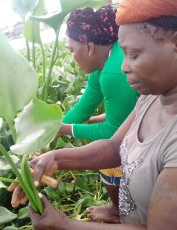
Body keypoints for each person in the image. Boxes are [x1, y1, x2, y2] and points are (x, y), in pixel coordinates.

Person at [10, 0, 177, 228]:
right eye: (123, 53)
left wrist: (65, 225)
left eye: (134, 55)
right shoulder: (153, 96)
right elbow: (114, 146)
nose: (123, 67)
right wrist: (56, 158)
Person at [55, 6, 138, 223]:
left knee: (108, 155)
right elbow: (82, 110)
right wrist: (51, 131)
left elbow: (114, 132)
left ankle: (118, 210)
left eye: (72, 50)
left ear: (90, 47)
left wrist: (66, 130)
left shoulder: (113, 71)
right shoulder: (103, 62)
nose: (72, 57)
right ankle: (117, 206)